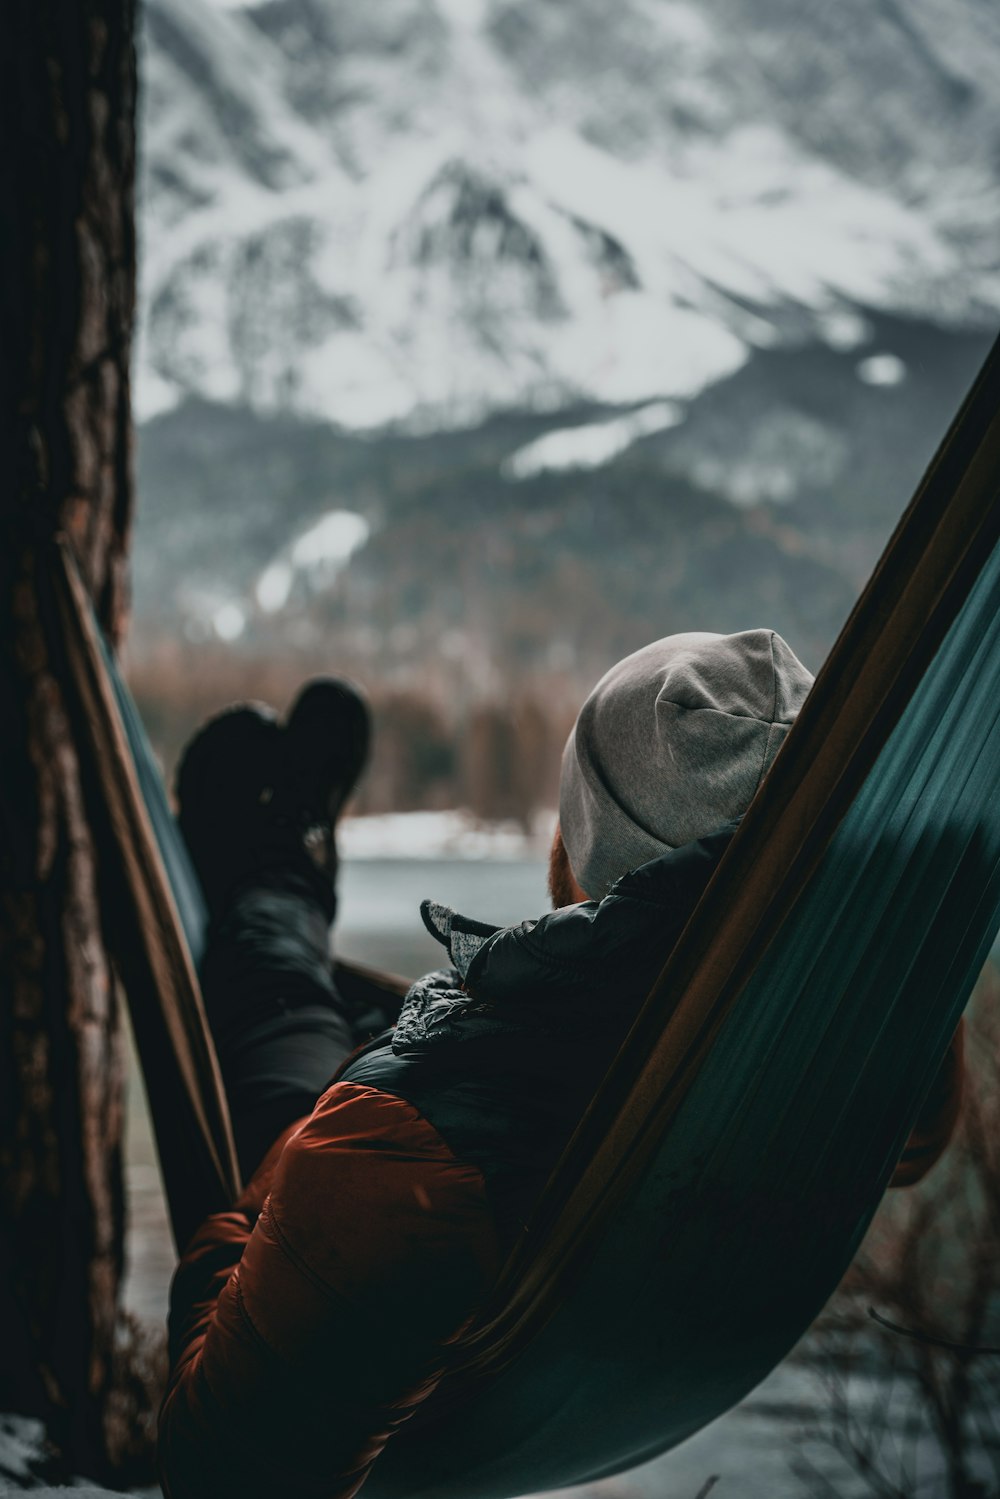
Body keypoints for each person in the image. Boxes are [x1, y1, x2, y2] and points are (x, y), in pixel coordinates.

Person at [157, 630, 964, 1499]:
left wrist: (287, 1167)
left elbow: (220, 1471)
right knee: (357, 1010)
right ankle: (298, 860)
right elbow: (916, 1141)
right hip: (545, 1242)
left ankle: (282, 870)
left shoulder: (398, 1155)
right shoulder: (864, 1037)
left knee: (277, 991)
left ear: (581, 855)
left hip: (392, 1263)